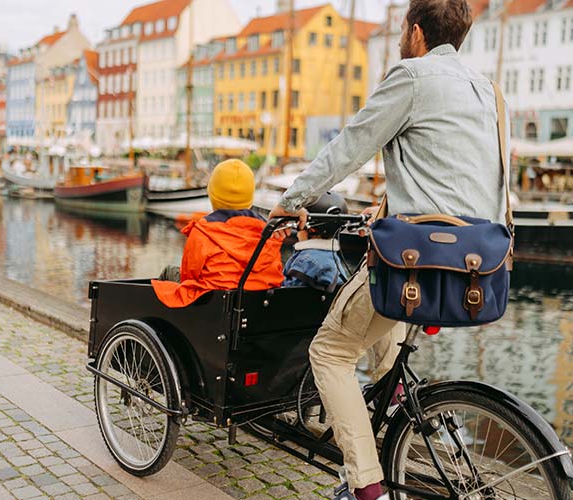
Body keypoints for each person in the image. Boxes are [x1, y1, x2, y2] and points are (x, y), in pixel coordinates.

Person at [268, 0, 509, 497]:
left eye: (403, 29)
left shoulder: (413, 76)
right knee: (382, 339)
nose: (402, 38)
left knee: (331, 351)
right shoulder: (489, 91)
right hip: (476, 264)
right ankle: (398, 411)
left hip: (419, 259)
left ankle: (366, 486)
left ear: (416, 32)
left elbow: (350, 146)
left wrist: (290, 201)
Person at [152, 159, 283, 308]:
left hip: (214, 303)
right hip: (256, 303)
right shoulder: (268, 232)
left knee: (170, 272)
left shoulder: (203, 230)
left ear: (211, 193)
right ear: (250, 197)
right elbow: (275, 273)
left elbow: (189, 275)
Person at [282, 191, 349, 292]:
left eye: (298, 222)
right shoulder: (333, 257)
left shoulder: (306, 260)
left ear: (311, 229)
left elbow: (287, 293)